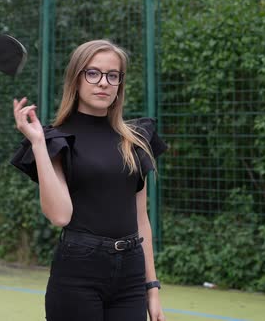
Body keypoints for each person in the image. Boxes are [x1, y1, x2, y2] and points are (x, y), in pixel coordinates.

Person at [10, 39, 167, 321]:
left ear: (120, 83)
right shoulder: (57, 140)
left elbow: (141, 219)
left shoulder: (135, 140)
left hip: (130, 274)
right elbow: (60, 215)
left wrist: (151, 289)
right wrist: (37, 144)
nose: (103, 82)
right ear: (76, 79)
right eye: (92, 73)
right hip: (78, 272)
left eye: (112, 75)